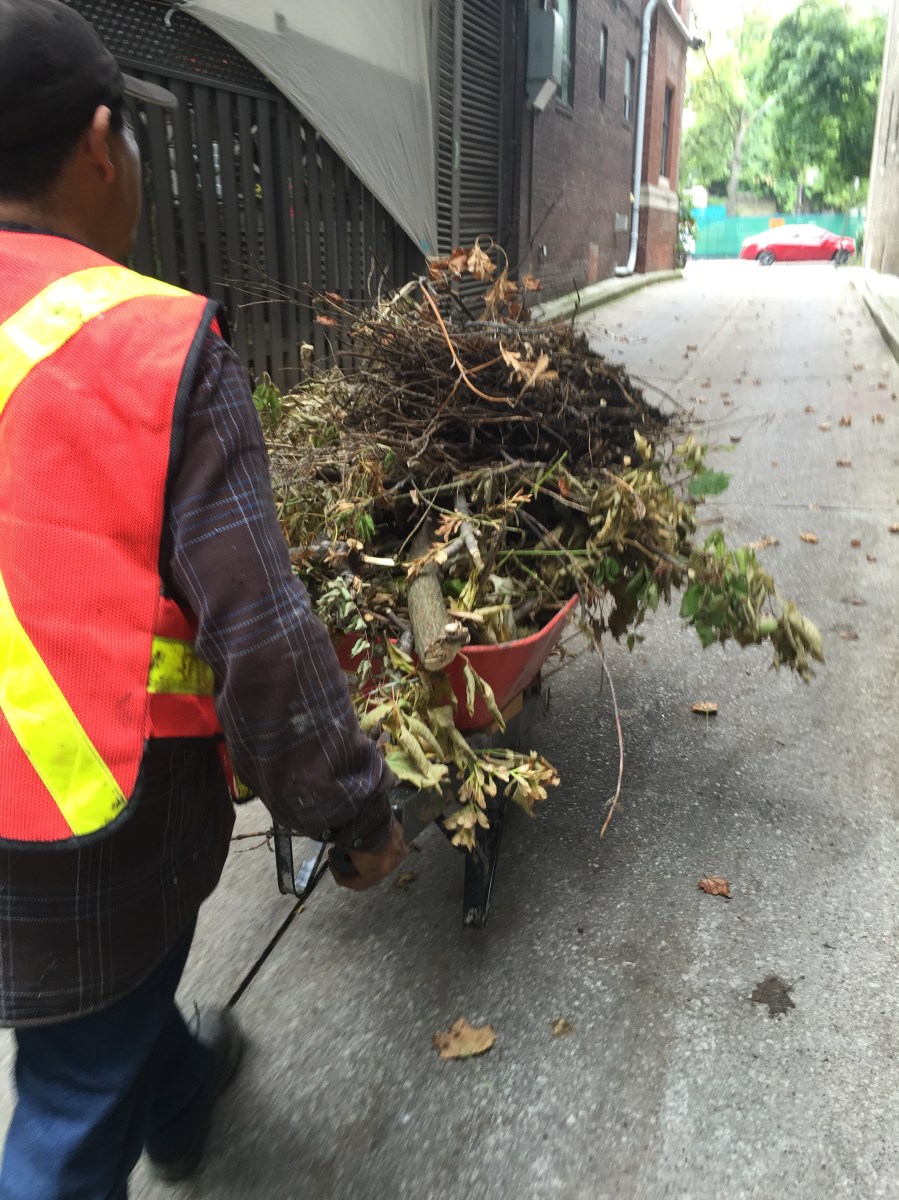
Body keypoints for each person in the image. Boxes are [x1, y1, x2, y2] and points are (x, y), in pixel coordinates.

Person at [0, 1, 405, 1195]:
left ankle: (176, 1092)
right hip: (79, 825)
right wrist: (355, 813)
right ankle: (144, 1091)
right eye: (132, 135)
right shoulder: (150, 345)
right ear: (95, 144)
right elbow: (262, 634)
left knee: (91, 1022)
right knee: (72, 1090)